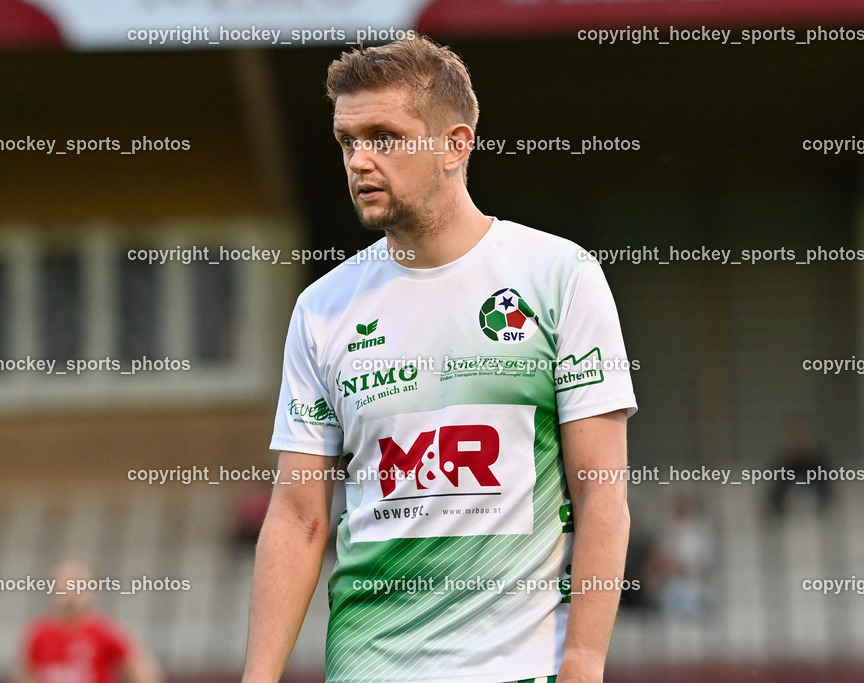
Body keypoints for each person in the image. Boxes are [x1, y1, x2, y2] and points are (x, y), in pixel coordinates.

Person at [243, 35, 637, 683]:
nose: (360, 161)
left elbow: (602, 493)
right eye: (347, 142)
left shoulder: (558, 277)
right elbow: (297, 514)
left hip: (521, 667)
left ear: (455, 146)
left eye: (384, 137)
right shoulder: (322, 309)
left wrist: (584, 663)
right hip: (369, 666)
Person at [15, 559, 162, 683]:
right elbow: (27, 674)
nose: (70, 592)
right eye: (64, 584)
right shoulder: (39, 632)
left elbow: (144, 672)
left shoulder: (106, 631)